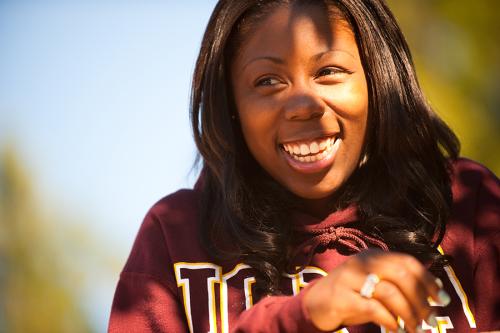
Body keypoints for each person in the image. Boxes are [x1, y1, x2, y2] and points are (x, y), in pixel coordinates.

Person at [108, 0, 499, 332]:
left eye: (328, 71)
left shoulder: (466, 202)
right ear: (231, 107)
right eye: (267, 81)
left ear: (377, 79)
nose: (303, 105)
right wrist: (304, 315)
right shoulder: (176, 235)